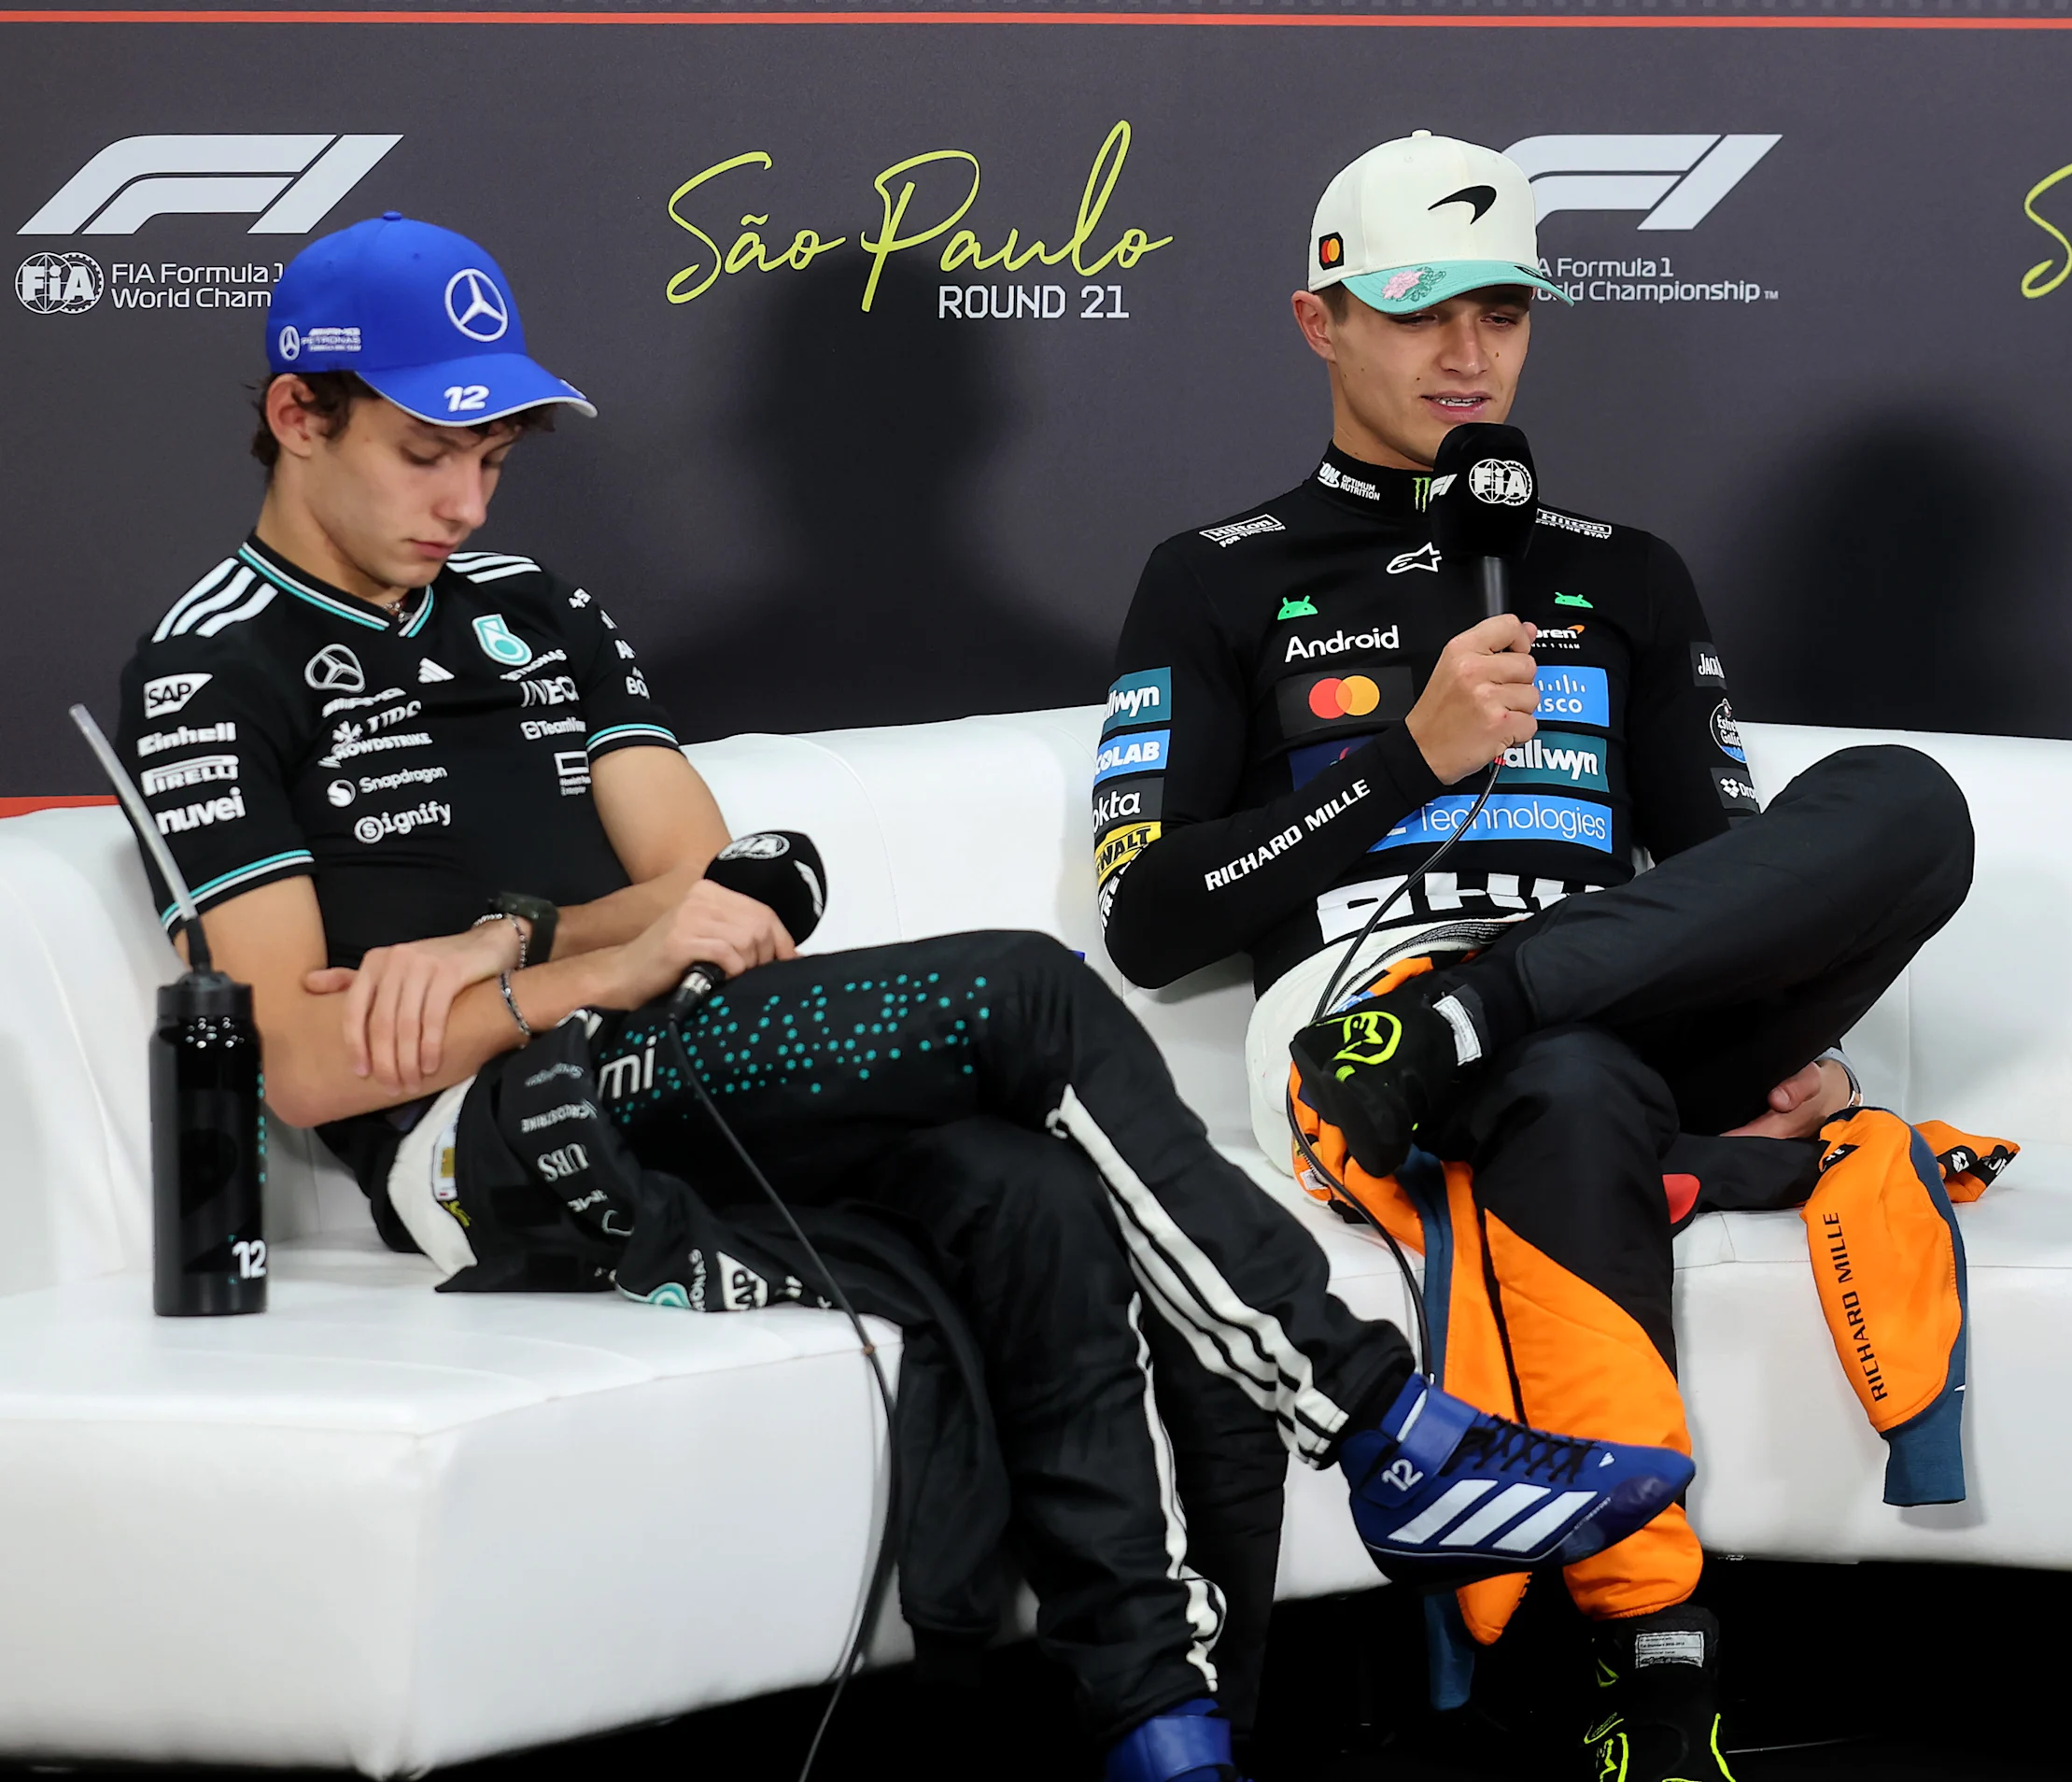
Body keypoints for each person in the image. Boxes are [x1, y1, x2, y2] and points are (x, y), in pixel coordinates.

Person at [117, 212, 1694, 1782]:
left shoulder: (538, 612)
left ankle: (1163, 1728)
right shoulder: (210, 669)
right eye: (422, 454)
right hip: (479, 1146)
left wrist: (509, 931)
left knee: (1022, 1194)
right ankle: (1383, 1427)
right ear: (296, 415)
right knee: (1020, 989)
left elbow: (722, 886)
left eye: (493, 461)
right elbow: (307, 1063)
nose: (464, 502)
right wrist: (598, 962)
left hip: (676, 1054)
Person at [1100, 132, 1974, 1779]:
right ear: (1320, 321)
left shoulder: (1623, 572)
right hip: (1372, 1024)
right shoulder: (1213, 580)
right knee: (1563, 1076)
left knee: (1911, 806)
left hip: (1609, 1000)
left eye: (1501, 312)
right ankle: (1655, 1661)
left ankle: (1485, 1021)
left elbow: (1730, 868)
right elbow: (1148, 920)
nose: (1467, 355)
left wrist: (1810, 1035)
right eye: (1423, 310)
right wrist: (1403, 762)